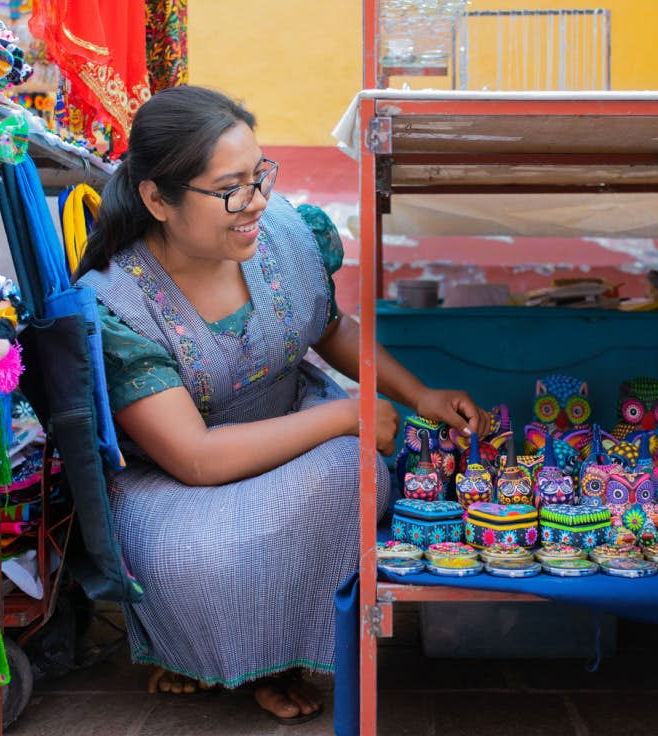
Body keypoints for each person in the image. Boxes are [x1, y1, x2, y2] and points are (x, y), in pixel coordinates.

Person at [75, 85, 482, 724]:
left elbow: (329, 325)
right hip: (180, 486)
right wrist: (348, 413)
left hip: (293, 438)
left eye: (259, 175)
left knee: (353, 475)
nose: (257, 203)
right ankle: (197, 650)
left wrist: (419, 394)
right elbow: (194, 457)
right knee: (206, 554)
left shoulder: (285, 234)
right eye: (231, 187)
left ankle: (281, 654)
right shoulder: (116, 303)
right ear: (158, 198)